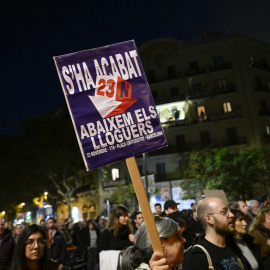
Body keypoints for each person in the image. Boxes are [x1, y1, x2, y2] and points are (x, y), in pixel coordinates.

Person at [182, 197, 245, 269]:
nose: (231, 215)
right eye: (224, 211)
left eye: (229, 210)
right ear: (209, 219)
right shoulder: (196, 257)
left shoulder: (233, 245)